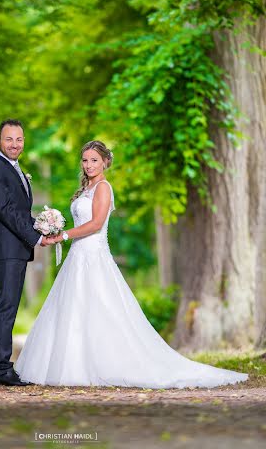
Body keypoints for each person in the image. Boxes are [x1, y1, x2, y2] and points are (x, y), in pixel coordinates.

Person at [15, 140, 249, 388]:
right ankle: (73, 363)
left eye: (94, 160)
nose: (89, 165)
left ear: (105, 161)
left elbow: (95, 224)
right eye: (85, 160)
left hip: (93, 256)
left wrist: (62, 235)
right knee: (72, 308)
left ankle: (106, 364)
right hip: (77, 256)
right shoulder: (84, 189)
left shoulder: (103, 188)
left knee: (101, 308)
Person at [0, 119, 52, 387]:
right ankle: (1, 368)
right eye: (9, 139)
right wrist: (35, 237)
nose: (14, 144)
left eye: (19, 139)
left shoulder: (13, 169)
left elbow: (19, 211)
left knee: (5, 305)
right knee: (6, 306)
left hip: (15, 249)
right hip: (8, 249)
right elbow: (6, 210)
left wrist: (42, 225)